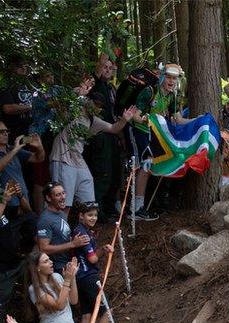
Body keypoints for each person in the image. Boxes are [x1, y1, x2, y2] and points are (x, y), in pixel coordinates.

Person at [51, 97, 137, 212]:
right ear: (87, 100)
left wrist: (124, 120)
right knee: (64, 203)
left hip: (78, 161)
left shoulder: (93, 120)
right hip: (63, 159)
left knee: (89, 202)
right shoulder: (72, 110)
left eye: (100, 107)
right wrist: (79, 94)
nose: (97, 108)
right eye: (95, 104)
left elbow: (113, 128)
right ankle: (60, 228)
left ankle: (84, 228)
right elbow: (57, 105)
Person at [127, 64, 186, 221]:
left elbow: (177, 119)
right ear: (161, 77)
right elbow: (135, 116)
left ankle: (142, 205)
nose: (171, 81)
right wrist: (148, 119)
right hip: (140, 131)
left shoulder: (172, 96)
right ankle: (135, 208)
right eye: (168, 77)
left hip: (155, 135)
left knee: (151, 167)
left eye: (174, 78)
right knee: (144, 165)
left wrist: (200, 121)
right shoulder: (150, 91)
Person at [72, 202, 122, 323]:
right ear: (81, 216)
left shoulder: (81, 231)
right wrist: (103, 250)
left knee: (86, 315)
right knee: (107, 310)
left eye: (95, 215)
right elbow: (92, 258)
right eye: (89, 215)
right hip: (89, 277)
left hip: (80, 278)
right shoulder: (83, 234)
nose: (93, 218)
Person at [86, 54, 122, 221]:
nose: (107, 70)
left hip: (113, 133)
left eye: (110, 68)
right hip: (100, 135)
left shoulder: (111, 88)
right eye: (105, 67)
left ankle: (109, 207)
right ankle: (97, 212)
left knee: (115, 171)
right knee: (102, 172)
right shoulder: (96, 86)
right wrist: (103, 58)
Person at [0, 122, 43, 213]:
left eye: (7, 131)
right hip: (6, 208)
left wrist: (39, 146)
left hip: (24, 203)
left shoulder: (13, 149)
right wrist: (16, 149)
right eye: (1, 131)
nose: (6, 134)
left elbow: (39, 158)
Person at [37, 182, 89, 272]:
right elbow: (43, 248)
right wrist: (72, 244)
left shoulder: (61, 213)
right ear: (49, 198)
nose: (63, 197)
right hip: (58, 267)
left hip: (69, 261)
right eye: (58, 195)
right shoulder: (45, 219)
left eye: (63, 193)